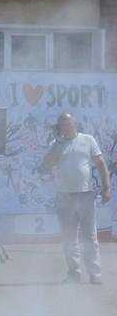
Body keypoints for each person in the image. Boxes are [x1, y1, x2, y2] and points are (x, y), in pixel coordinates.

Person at [37, 112, 112, 284]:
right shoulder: (56, 144)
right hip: (65, 197)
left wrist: (106, 188)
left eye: (68, 123)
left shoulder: (88, 140)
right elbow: (47, 164)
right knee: (69, 237)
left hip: (85, 195)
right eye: (62, 124)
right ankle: (74, 273)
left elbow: (101, 164)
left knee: (89, 236)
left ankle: (95, 274)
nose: (65, 126)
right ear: (59, 127)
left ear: (74, 124)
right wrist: (57, 144)